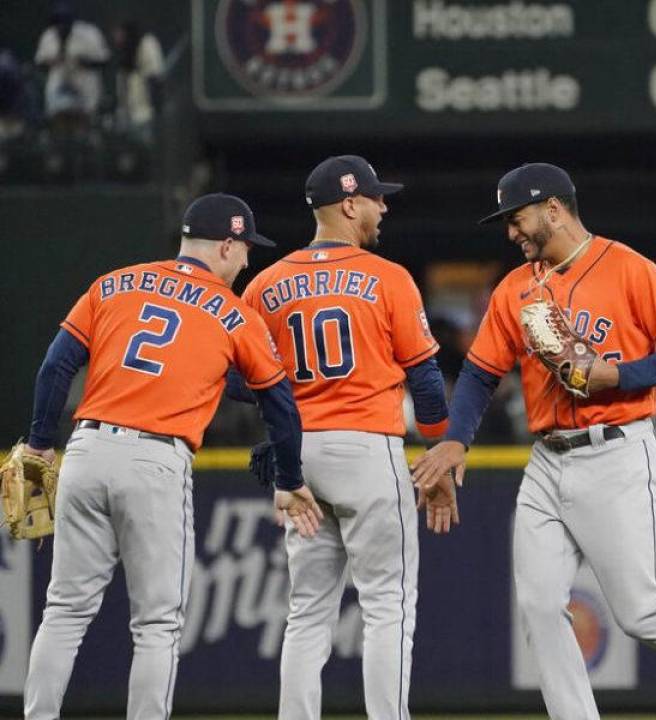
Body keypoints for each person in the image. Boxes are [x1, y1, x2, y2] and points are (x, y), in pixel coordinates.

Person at [412, 163, 656, 720]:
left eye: (516, 219)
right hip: (546, 459)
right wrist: (456, 441)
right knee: (539, 606)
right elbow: (479, 373)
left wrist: (620, 374)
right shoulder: (515, 288)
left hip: (616, 450)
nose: (510, 232)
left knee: (639, 612)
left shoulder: (627, 268)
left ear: (554, 209)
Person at [21, 193, 322, 720]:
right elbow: (279, 402)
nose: (248, 259)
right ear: (226, 244)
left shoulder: (113, 283)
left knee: (64, 611)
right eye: (245, 248)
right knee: (157, 623)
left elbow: (55, 366)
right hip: (155, 461)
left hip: (87, 449)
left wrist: (40, 444)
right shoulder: (233, 313)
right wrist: (290, 475)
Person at [241, 155, 453, 720]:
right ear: (349, 202)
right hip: (366, 447)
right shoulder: (388, 277)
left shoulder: (265, 283)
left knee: (307, 611)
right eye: (377, 198)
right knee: (388, 604)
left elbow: (239, 379)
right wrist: (439, 451)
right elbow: (427, 381)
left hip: (300, 456)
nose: (384, 207)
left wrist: (278, 420)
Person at [33, 1, 109, 134]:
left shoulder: (89, 33)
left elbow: (104, 60)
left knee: (82, 131)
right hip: (59, 91)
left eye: (65, 21)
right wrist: (50, 62)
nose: (61, 25)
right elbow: (39, 63)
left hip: (84, 90)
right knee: (60, 129)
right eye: (58, 21)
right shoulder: (49, 36)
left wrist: (85, 62)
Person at [111, 20, 163, 145]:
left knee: (145, 149)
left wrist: (156, 107)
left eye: (120, 34)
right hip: (127, 115)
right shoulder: (124, 56)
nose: (116, 38)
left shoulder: (147, 44)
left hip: (145, 114)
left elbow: (154, 77)